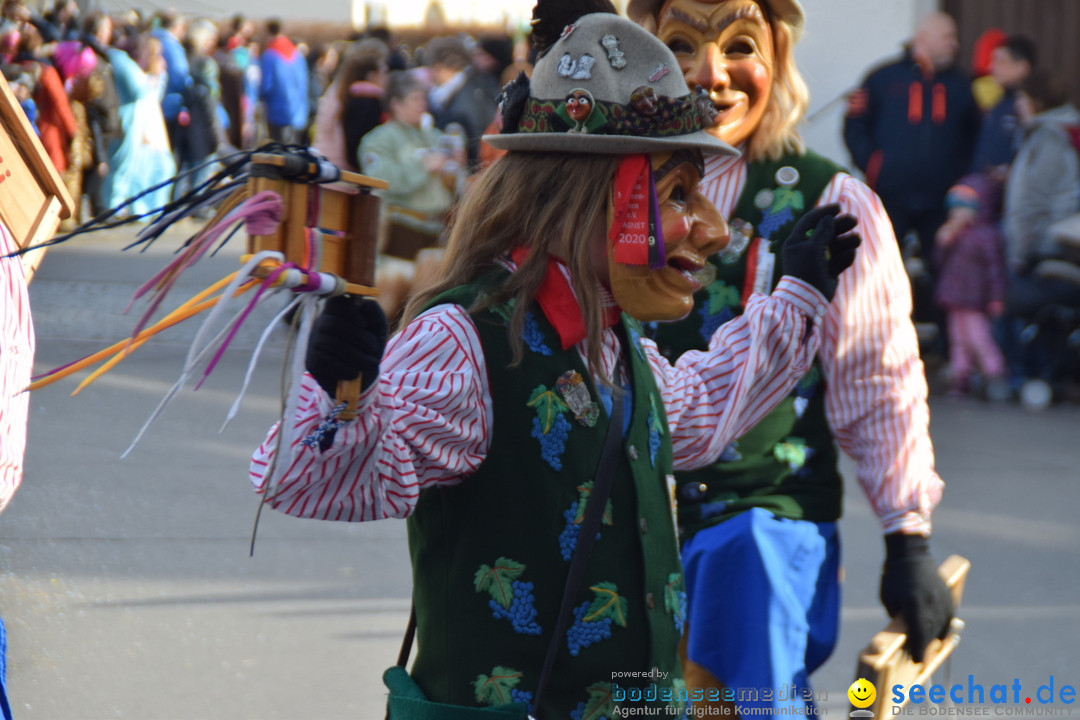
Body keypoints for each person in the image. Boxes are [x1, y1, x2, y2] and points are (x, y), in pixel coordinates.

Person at [248, 8, 858, 718]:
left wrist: (797, 298)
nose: (713, 232)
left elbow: (692, 415)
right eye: (677, 196)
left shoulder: (613, 339)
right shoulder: (467, 338)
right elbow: (312, 479)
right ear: (593, 200)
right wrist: (337, 391)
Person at [627, 0, 952, 713]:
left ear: (778, 56)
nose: (710, 76)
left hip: (761, 520)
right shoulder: (600, 193)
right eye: (681, 44)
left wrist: (908, 538)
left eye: (738, 45)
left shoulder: (830, 200)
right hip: (618, 521)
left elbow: (876, 372)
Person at [843, 11, 980, 328]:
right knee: (874, 269)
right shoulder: (881, 77)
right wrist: (875, 165)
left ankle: (945, 348)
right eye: (948, 37)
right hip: (890, 195)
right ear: (924, 37)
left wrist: (963, 178)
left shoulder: (961, 85)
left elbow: (975, 136)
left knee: (947, 274)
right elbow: (855, 127)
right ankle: (870, 335)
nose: (955, 45)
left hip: (941, 202)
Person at [1000, 70, 1080, 388]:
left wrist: (1023, 246)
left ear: (1038, 101)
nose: (1017, 104)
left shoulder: (1050, 140)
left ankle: (1029, 376)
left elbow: (1035, 199)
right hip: (1037, 243)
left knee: (1021, 305)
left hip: (1042, 246)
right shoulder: (1041, 135)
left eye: (1021, 98)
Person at [934, 175, 1008, 398]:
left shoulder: (986, 236)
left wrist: (996, 297)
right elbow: (939, 262)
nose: (957, 213)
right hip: (954, 297)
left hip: (975, 299)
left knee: (979, 339)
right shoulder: (955, 234)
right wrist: (943, 240)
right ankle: (961, 376)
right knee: (958, 340)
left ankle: (994, 373)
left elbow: (995, 270)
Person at [423, 34, 498, 173]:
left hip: (475, 173)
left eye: (435, 69)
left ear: (446, 67)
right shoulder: (466, 88)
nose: (432, 75)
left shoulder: (469, 95)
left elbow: (478, 141)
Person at [311, 38, 388, 173]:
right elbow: (357, 146)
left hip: (326, 161)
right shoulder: (365, 98)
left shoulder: (341, 86)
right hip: (341, 171)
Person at [971, 34, 1037, 174]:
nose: (992, 68)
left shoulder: (1033, 107)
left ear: (1022, 67)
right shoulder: (997, 103)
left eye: (1001, 62)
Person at [258, 18, 308, 144]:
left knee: (278, 150)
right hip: (298, 111)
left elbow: (266, 86)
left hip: (277, 110)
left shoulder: (269, 55)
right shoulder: (297, 55)